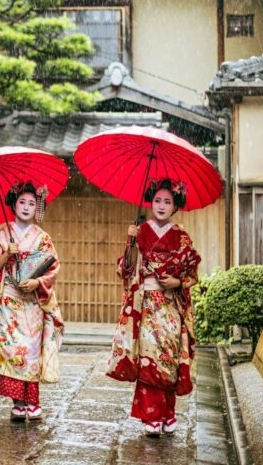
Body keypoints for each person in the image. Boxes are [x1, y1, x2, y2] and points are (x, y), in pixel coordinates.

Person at [106, 178, 201, 437]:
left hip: (170, 304)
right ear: (150, 202)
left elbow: (192, 273)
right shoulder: (140, 230)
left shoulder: (181, 236)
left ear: (175, 206)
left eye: (167, 201)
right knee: (148, 358)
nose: (161, 205)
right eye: (157, 200)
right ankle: (151, 416)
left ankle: (168, 413)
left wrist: (177, 281)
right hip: (146, 305)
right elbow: (124, 270)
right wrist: (131, 243)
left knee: (168, 358)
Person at [0, 180, 64, 422]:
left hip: (32, 301)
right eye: (21, 202)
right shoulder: (1, 235)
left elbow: (52, 267)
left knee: (32, 351)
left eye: (32, 203)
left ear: (38, 208)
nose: (26, 207)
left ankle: (33, 401)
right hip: (8, 303)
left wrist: (37, 283)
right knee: (13, 350)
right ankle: (18, 402)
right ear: (13, 204)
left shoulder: (43, 238)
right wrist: (5, 256)